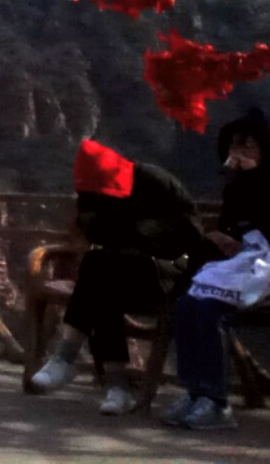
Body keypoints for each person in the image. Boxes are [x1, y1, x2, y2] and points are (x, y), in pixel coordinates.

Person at [32, 138, 205, 414]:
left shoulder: (153, 181)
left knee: (97, 269)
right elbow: (96, 232)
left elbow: (191, 234)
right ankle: (115, 388)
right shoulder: (93, 194)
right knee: (100, 278)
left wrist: (139, 233)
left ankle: (70, 361)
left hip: (168, 274)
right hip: (118, 276)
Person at [164, 106, 270, 431]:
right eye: (234, 148)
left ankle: (216, 402)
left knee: (209, 311)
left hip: (266, 268)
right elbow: (235, 233)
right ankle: (196, 391)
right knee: (186, 306)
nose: (238, 155)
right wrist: (226, 243)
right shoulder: (236, 188)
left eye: (246, 148)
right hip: (244, 264)